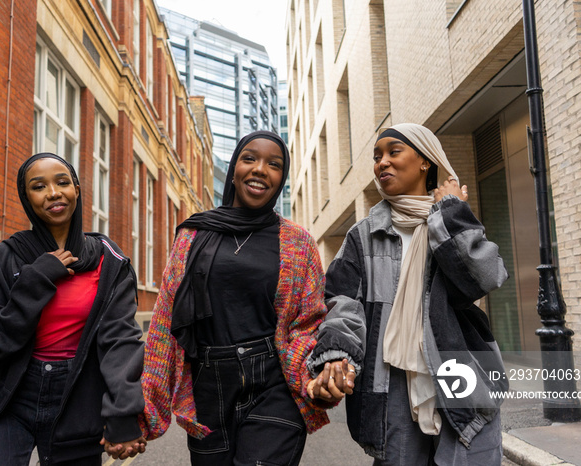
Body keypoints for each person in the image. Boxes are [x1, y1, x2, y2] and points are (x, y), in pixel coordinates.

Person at [307, 123, 509, 465]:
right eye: (376, 156)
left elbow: (485, 278)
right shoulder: (364, 235)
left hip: (460, 375)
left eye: (393, 152)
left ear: (425, 161)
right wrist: (338, 356)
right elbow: (341, 303)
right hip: (392, 388)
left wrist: (451, 216)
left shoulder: (449, 220)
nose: (382, 162)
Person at [0, 153, 146, 465]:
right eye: (38, 186)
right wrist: (35, 281)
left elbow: (120, 341)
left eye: (62, 182)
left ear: (76, 189)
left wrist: (124, 411)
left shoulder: (109, 261)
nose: (53, 193)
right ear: (26, 197)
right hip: (13, 395)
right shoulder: (3, 259)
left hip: (79, 397)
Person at [139, 131, 332, 465]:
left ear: (281, 179)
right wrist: (143, 413)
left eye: (274, 164)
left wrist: (312, 374)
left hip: (274, 383)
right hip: (208, 387)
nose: (260, 169)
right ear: (233, 170)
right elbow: (164, 324)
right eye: (249, 158)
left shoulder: (299, 242)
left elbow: (310, 321)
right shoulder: (194, 234)